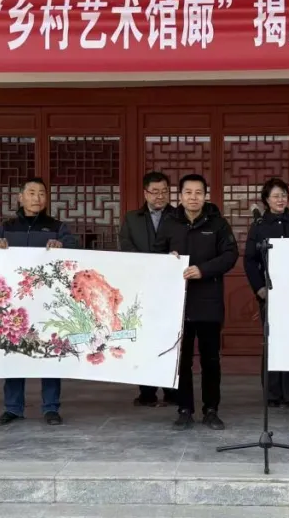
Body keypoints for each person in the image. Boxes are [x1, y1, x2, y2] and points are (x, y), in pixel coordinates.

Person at [0, 177, 79, 427]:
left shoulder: (57, 227)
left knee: (49, 352)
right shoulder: (6, 227)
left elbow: (75, 248)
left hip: (47, 301)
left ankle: (51, 408)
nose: (37, 198)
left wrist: (62, 245)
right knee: (13, 353)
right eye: (31, 192)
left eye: (41, 193)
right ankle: (13, 408)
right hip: (14, 303)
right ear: (20, 197)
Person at [153, 174, 238, 430]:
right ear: (180, 196)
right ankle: (184, 409)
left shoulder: (217, 223)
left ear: (205, 196)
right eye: (188, 193)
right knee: (183, 360)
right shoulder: (170, 223)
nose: (193, 197)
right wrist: (168, 259)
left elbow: (230, 255)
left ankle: (211, 409)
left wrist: (203, 270)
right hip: (179, 302)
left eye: (198, 193)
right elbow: (156, 255)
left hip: (209, 301)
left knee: (211, 359)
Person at [120, 171, 178, 408]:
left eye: (164, 191)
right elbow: (126, 246)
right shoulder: (132, 218)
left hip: (172, 285)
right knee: (143, 337)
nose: (160, 196)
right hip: (142, 285)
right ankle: (147, 391)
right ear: (145, 193)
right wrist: (147, 265)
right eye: (155, 192)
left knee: (171, 336)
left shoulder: (178, 216)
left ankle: (172, 391)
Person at [244, 177, 289, 408]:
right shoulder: (259, 226)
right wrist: (259, 288)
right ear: (266, 200)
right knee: (272, 341)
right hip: (269, 291)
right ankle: (272, 394)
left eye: (284, 195)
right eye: (276, 196)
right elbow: (250, 260)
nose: (280, 199)